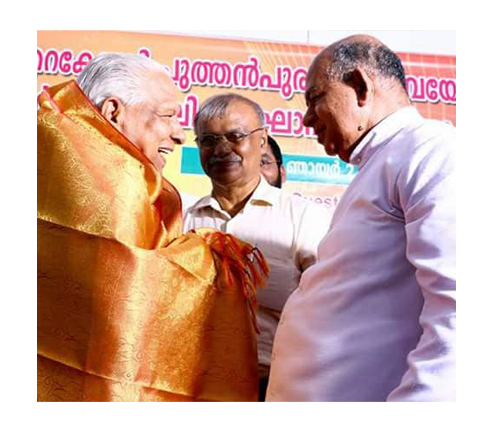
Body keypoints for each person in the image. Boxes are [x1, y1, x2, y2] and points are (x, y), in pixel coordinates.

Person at [37, 53, 268, 402]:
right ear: (114, 111)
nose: (179, 135)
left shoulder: (49, 153)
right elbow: (131, 283)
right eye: (168, 116)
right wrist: (215, 257)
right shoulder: (109, 180)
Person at [267, 35, 456, 402]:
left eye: (315, 99)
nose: (306, 118)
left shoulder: (431, 150)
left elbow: (460, 306)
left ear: (359, 86)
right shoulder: (383, 162)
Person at [183, 93, 332, 401]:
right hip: (197, 391)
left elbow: (333, 313)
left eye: (235, 136)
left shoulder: (302, 218)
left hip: (278, 391)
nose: (222, 149)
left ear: (262, 140)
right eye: (208, 140)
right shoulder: (182, 222)